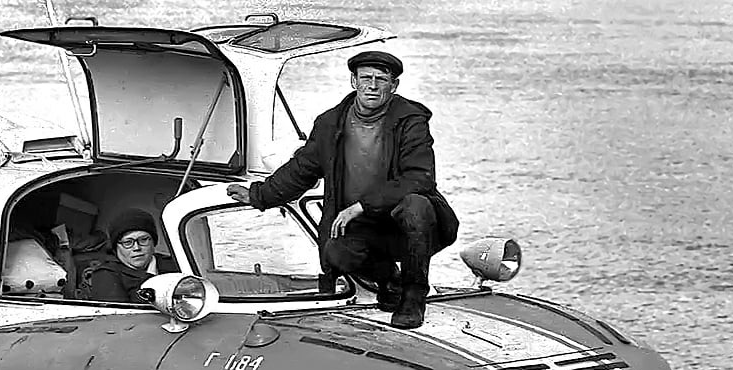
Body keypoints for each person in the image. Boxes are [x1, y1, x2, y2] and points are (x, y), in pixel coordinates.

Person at [226, 49, 458, 329]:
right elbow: (302, 169)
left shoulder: (411, 121)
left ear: (394, 86)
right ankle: (390, 281)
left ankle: (413, 296)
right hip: (364, 229)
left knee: (415, 205)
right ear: (354, 81)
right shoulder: (330, 123)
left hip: (408, 229)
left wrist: (362, 206)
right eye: (366, 78)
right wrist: (258, 194)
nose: (373, 86)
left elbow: (420, 178)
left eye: (382, 80)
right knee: (335, 251)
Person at [81, 208, 179, 302]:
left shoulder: (175, 265)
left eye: (143, 240)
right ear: (116, 248)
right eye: (128, 242)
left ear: (153, 243)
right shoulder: (105, 274)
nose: (136, 248)